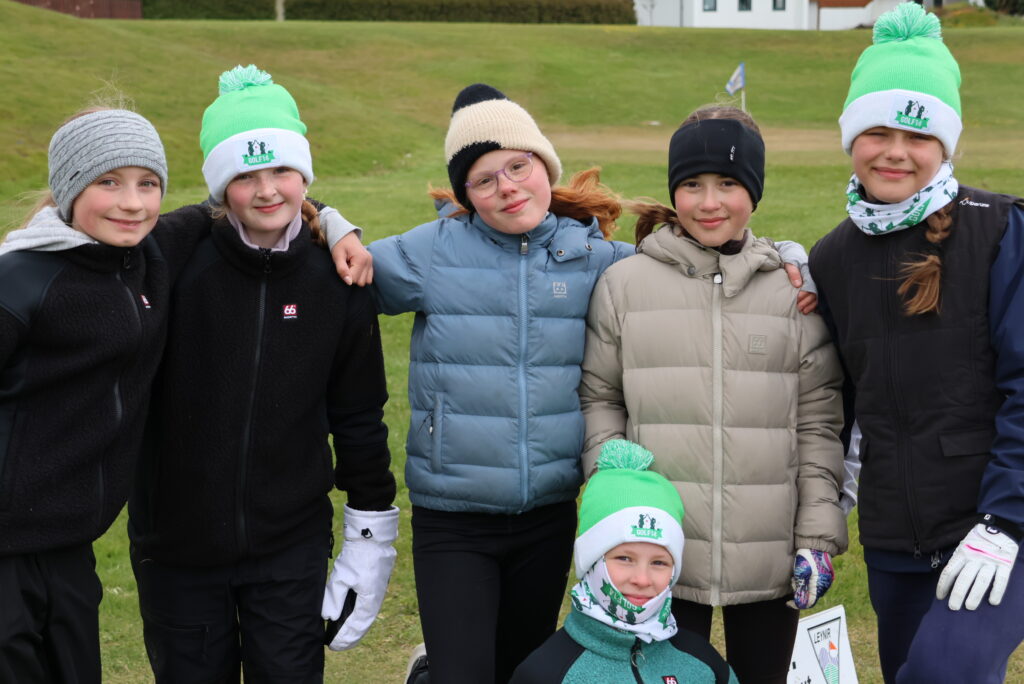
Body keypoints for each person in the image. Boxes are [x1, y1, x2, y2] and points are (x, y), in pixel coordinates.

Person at [325, 83, 816, 684]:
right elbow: (338, 279)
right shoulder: (429, 253)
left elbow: (693, 261)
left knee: (524, 666)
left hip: (549, 513)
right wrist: (330, 223)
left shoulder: (594, 258)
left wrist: (783, 254)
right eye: (483, 179)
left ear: (544, 167)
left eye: (518, 166)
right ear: (465, 194)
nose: (506, 186)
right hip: (454, 510)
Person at [127, 65, 397, 683]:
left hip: (289, 547)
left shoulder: (339, 276)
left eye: (281, 170)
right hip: (177, 548)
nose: (267, 189)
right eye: (244, 175)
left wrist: (370, 531)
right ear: (221, 189)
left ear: (305, 173)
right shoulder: (175, 258)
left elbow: (359, 413)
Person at [579, 104, 848, 684]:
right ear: (673, 192)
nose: (709, 202)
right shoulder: (625, 285)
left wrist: (817, 536)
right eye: (693, 185)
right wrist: (616, 493)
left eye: (728, 184)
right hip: (659, 552)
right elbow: (600, 397)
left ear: (754, 193)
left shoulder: (792, 291)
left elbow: (819, 423)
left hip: (771, 553)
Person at [808, 4, 1024, 682]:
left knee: (942, 672)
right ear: (850, 138)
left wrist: (1005, 520)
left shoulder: (1001, 232)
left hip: (998, 530)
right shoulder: (833, 257)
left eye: (917, 133)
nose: (895, 150)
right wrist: (819, 523)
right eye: (877, 131)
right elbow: (835, 406)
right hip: (898, 538)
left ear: (946, 146)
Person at [0, 107, 174, 684]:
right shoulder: (20, 279)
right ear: (70, 188)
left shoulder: (147, 260)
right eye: (108, 182)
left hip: (71, 543)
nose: (132, 202)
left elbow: (235, 211)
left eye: (147, 183)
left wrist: (326, 217)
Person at [510, 440, 737, 684]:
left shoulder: (703, 665)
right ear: (591, 561)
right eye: (625, 558)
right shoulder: (546, 673)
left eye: (659, 563)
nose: (642, 579)